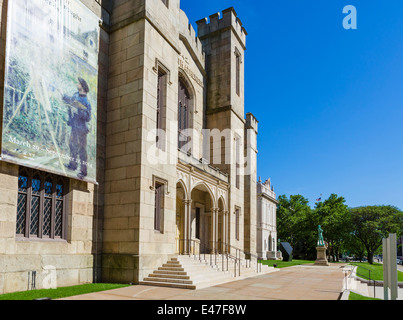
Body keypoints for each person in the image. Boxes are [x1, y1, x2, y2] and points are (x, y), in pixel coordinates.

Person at [62, 77, 91, 180]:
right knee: (72, 145)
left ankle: (83, 171)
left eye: (79, 83)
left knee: (82, 150)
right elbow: (70, 100)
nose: (77, 84)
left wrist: (78, 110)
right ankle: (73, 165)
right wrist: (63, 96)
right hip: (74, 126)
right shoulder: (75, 95)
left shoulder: (86, 102)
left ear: (82, 87)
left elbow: (88, 117)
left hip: (82, 129)